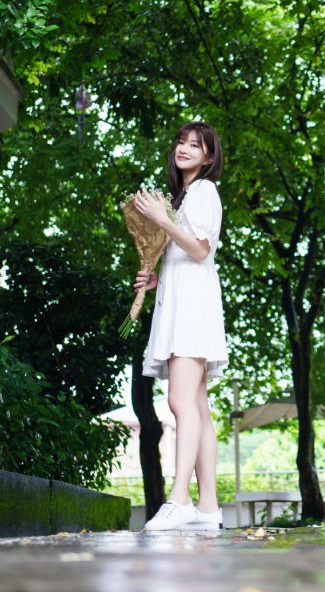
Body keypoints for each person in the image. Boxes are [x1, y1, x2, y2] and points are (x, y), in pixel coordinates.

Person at [132, 121, 228, 531]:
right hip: (186, 303)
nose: (184, 148)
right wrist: (158, 278)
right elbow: (186, 255)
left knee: (179, 401)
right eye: (181, 142)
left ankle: (179, 499)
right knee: (198, 407)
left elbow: (202, 250)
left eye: (195, 145)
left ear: (209, 157)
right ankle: (208, 508)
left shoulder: (204, 190)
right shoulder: (186, 197)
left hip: (192, 310)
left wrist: (162, 219)